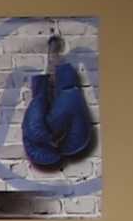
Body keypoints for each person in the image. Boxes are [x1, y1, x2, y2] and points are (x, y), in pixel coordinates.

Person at [20, 30, 97, 174]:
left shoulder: (42, 138)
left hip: (63, 137)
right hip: (67, 138)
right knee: (66, 97)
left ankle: (55, 66)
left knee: (62, 98)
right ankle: (56, 66)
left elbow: (36, 121)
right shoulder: (66, 142)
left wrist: (41, 95)